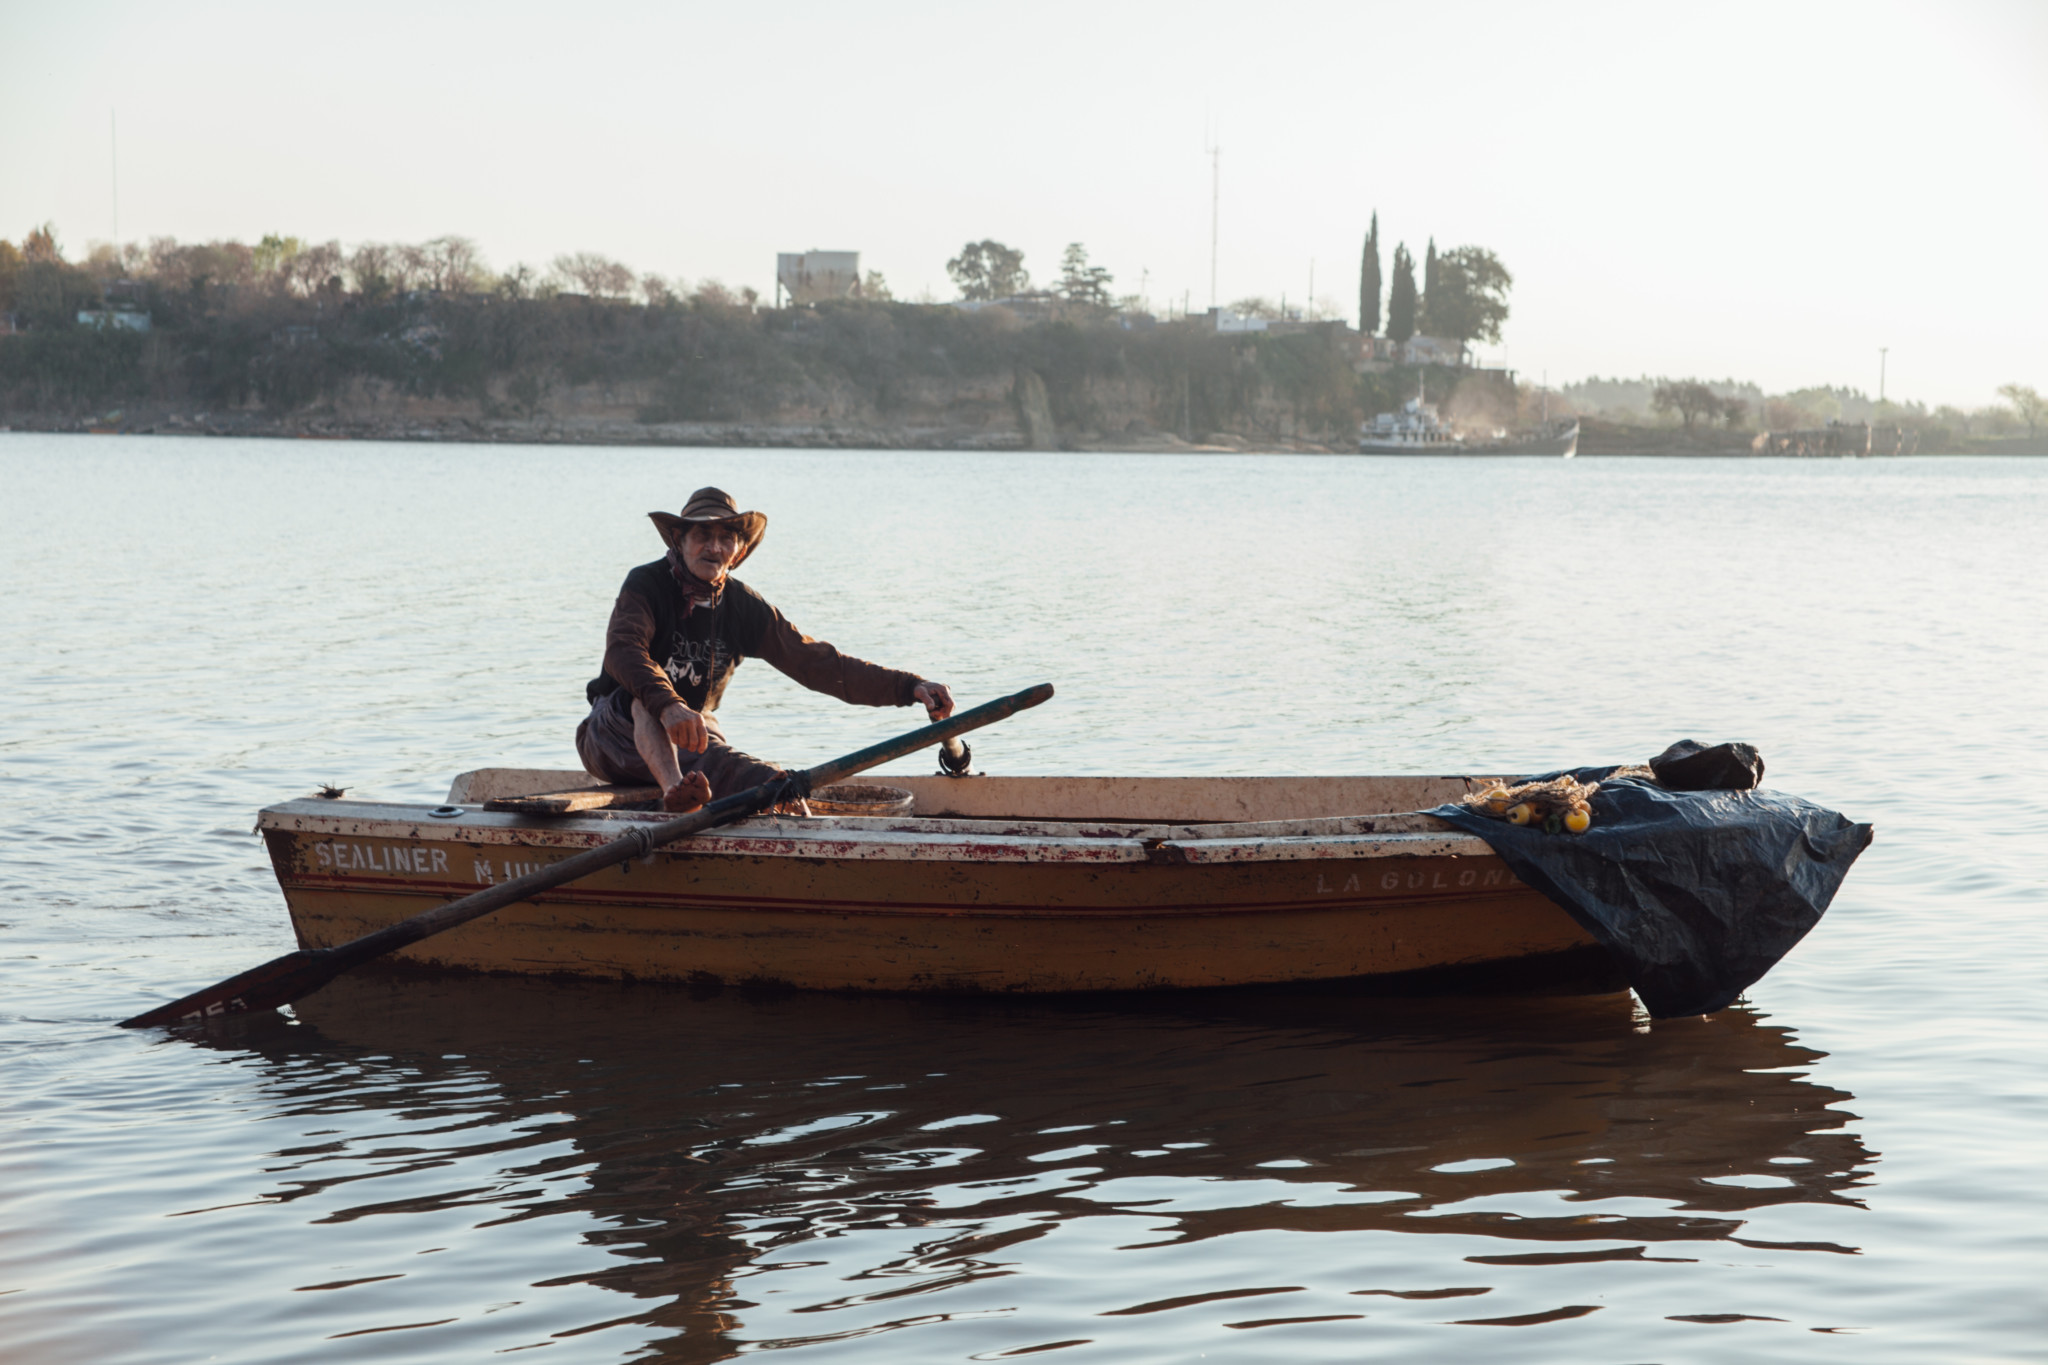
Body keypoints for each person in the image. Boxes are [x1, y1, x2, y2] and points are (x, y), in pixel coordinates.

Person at [576, 487, 954, 812]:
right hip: (612, 740)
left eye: (726, 538)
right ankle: (677, 794)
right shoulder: (647, 583)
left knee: (773, 785)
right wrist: (668, 705)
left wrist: (910, 687)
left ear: (738, 552)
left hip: (695, 747)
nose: (714, 547)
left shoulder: (743, 607)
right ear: (679, 540)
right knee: (646, 703)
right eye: (702, 535)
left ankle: (703, 795)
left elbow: (819, 664)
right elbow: (623, 650)